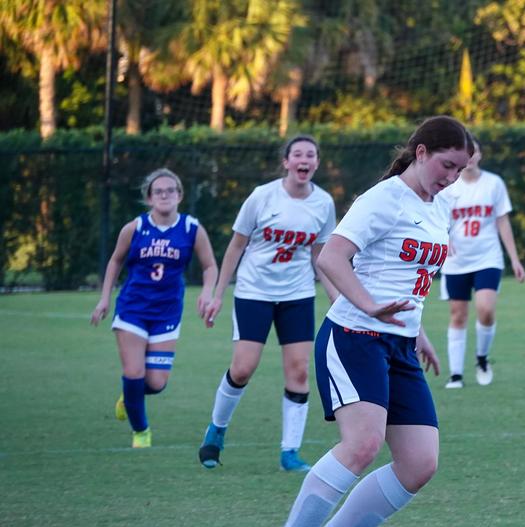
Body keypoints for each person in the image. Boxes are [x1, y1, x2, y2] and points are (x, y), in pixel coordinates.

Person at [260, 116, 473, 527]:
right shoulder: (383, 199)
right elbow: (331, 259)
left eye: (460, 170)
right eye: (446, 165)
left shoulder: (438, 207)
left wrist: (418, 332)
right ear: (421, 153)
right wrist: (370, 306)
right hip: (354, 336)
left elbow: (407, 275)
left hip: (399, 345)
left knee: (420, 463)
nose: (451, 177)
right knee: (362, 444)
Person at [198, 134, 340, 472]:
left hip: (297, 294)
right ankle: (216, 430)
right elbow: (236, 246)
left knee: (299, 370)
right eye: (298, 154)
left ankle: (290, 452)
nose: (304, 160)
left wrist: (336, 297)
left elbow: (320, 255)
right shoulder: (262, 197)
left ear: (316, 163)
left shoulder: (323, 203)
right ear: (286, 162)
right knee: (243, 368)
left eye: (310, 155)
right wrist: (218, 294)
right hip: (254, 291)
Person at [90, 168, 218, 448]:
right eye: (158, 191)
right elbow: (115, 261)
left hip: (167, 312)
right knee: (134, 372)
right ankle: (141, 431)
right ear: (149, 198)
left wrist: (207, 292)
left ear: (179, 195)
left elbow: (209, 265)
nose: (164, 195)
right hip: (132, 309)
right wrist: (104, 298)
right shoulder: (134, 228)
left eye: (170, 190)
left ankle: (130, 395)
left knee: (157, 383)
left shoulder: (191, 228)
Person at [438, 135, 525, 389]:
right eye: (465, 152)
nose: (470, 156)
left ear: (480, 155)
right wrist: (444, 238)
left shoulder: (493, 184)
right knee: (458, 315)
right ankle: (456, 375)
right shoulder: (448, 187)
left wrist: (515, 259)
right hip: (456, 261)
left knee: (486, 310)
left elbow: (502, 221)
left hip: (488, 257)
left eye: (474, 151)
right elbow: (436, 217)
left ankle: (482, 358)